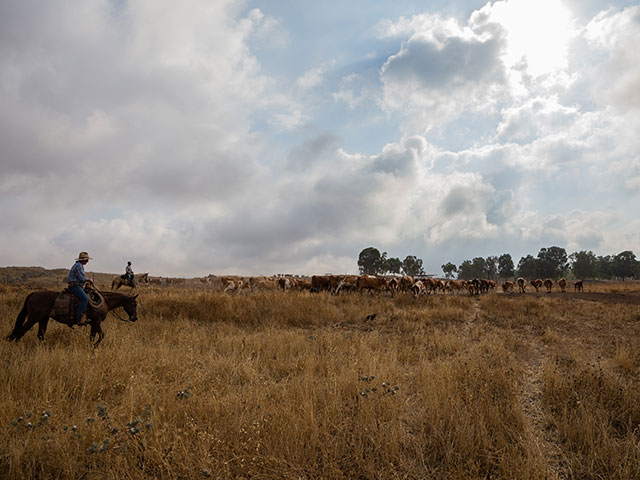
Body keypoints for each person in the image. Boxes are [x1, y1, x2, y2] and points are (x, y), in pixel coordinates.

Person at [67, 251, 93, 326]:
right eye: (86, 260)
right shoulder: (78, 266)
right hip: (74, 286)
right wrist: (88, 280)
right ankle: (79, 318)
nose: (87, 262)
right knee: (84, 298)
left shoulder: (79, 265)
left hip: (77, 285)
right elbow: (81, 277)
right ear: (83, 260)